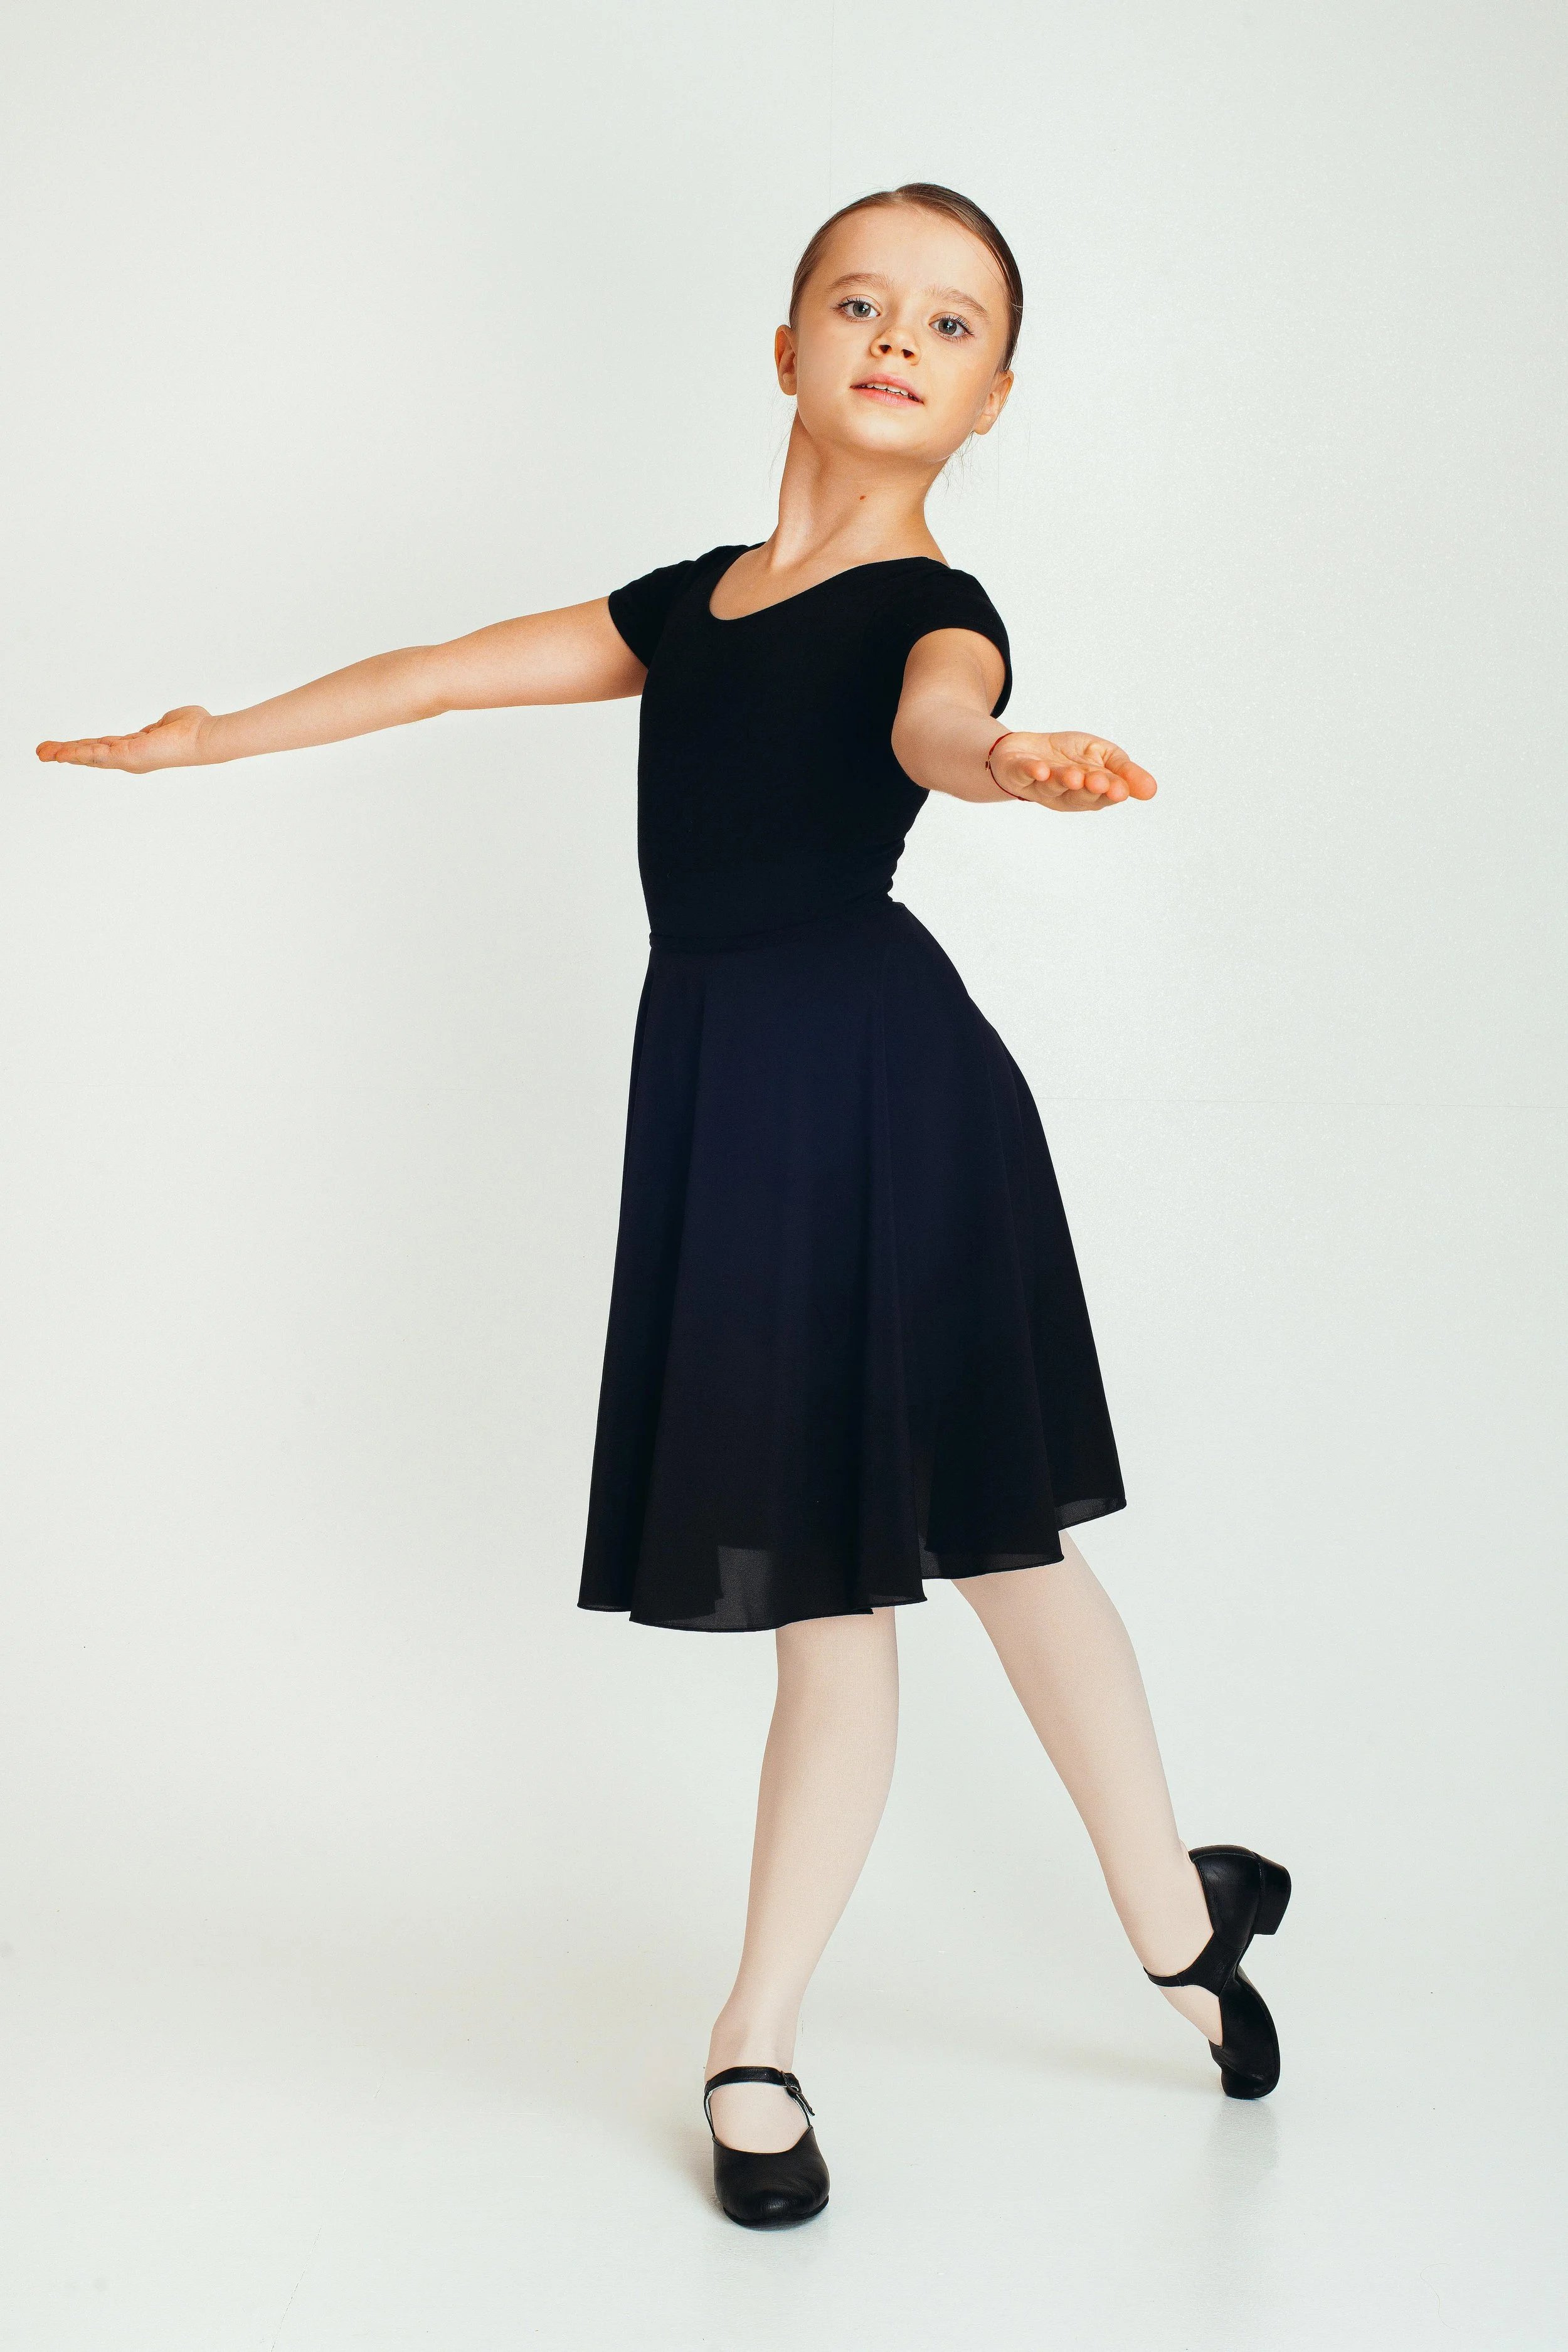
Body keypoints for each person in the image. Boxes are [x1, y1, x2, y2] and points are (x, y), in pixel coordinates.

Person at [38, 180, 1289, 2231]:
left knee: (996, 1551)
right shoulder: (685, 602)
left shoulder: (931, 614)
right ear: (784, 346)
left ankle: (1086, 1947)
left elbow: (937, 727)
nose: (897, 336)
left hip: (883, 1091)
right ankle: (889, 2008)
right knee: (853, 1587)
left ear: (992, 399)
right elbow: (448, 669)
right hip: (734, 1094)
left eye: (950, 324)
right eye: (859, 301)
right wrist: (211, 740)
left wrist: (1006, 764)